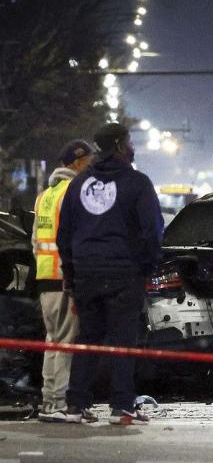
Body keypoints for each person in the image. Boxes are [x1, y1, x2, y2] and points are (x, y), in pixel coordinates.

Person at [58, 123, 163, 425]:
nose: (133, 147)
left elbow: (64, 233)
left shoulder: (79, 184)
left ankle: (76, 404)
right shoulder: (137, 183)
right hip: (124, 274)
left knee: (87, 339)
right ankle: (121, 406)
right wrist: (146, 266)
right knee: (122, 340)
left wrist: (71, 271)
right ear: (118, 145)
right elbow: (152, 231)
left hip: (86, 274)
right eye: (129, 142)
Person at [32, 139, 97, 422]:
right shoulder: (73, 192)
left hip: (46, 276)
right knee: (68, 343)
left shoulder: (45, 195)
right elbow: (77, 238)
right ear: (76, 162)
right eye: (88, 161)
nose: (91, 165)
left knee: (53, 340)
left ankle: (49, 402)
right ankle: (61, 404)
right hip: (65, 278)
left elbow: (35, 240)